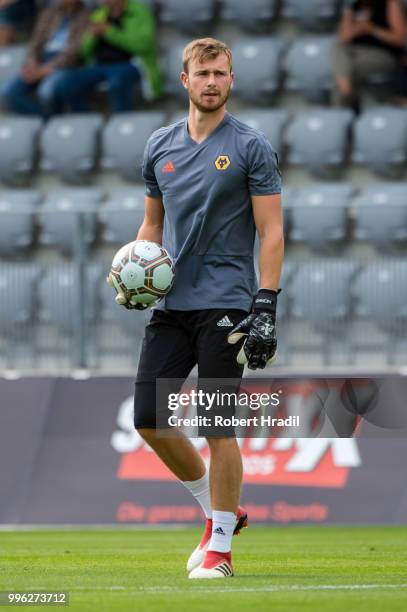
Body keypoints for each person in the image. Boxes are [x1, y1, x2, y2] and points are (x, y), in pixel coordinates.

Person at [109, 38, 284, 578]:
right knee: (148, 420)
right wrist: (139, 268)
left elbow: (271, 230)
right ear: (184, 80)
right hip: (171, 303)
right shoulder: (159, 146)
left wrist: (267, 304)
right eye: (202, 73)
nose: (212, 81)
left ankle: (221, 551)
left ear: (232, 81)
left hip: (228, 303)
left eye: (221, 73)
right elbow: (152, 225)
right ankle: (218, 512)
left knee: (217, 426)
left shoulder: (252, 147)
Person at [54, 0, 161, 113]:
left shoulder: (140, 12)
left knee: (117, 82)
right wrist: (92, 37)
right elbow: (84, 51)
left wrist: (109, 32)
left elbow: (144, 46)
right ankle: (85, 122)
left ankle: (123, 122)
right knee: (66, 83)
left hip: (131, 64)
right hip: (100, 66)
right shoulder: (98, 15)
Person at [0, 0, 89, 116]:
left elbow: (76, 50)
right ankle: (47, 122)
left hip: (66, 64)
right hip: (41, 61)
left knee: (46, 91)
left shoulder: (87, 15)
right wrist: (32, 62)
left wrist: (46, 70)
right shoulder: (50, 13)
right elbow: (35, 42)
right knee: (7, 93)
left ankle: (52, 124)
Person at [331, 0, 407, 110]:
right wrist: (356, 29)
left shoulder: (390, 4)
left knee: (342, 76)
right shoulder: (353, 7)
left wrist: (372, 29)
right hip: (356, 54)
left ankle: (343, 105)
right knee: (336, 48)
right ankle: (345, 90)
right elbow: (343, 39)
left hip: (383, 54)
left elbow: (400, 39)